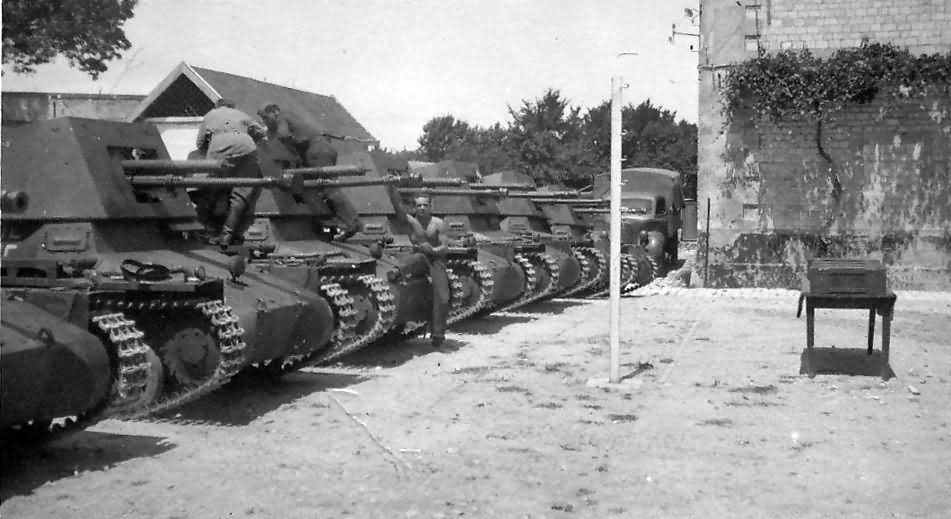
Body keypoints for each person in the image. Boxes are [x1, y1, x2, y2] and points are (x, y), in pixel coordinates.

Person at [257, 103, 362, 240]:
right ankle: (335, 220)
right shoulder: (292, 117)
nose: (265, 121)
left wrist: (292, 150)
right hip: (321, 150)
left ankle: (350, 222)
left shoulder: (282, 118)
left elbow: (284, 136)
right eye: (263, 119)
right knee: (313, 187)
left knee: (327, 188)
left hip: (316, 152)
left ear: (275, 112)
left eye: (266, 117)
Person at [384, 183, 450, 349]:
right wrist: (391, 190)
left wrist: (433, 250)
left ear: (430, 207)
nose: (422, 208)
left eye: (425, 205)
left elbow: (444, 247)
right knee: (414, 258)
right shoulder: (412, 221)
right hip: (419, 257)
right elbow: (399, 211)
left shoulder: (438, 223)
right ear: (414, 207)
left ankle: (438, 334)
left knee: (443, 297)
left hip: (436, 260)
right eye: (419, 205)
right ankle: (396, 272)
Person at [194, 98, 268, 246]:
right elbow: (261, 132)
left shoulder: (211, 114)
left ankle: (205, 228)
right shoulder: (242, 114)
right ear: (232, 106)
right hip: (247, 145)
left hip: (220, 143)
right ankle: (226, 236)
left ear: (217, 106)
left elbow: (199, 143)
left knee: (211, 186)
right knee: (241, 193)